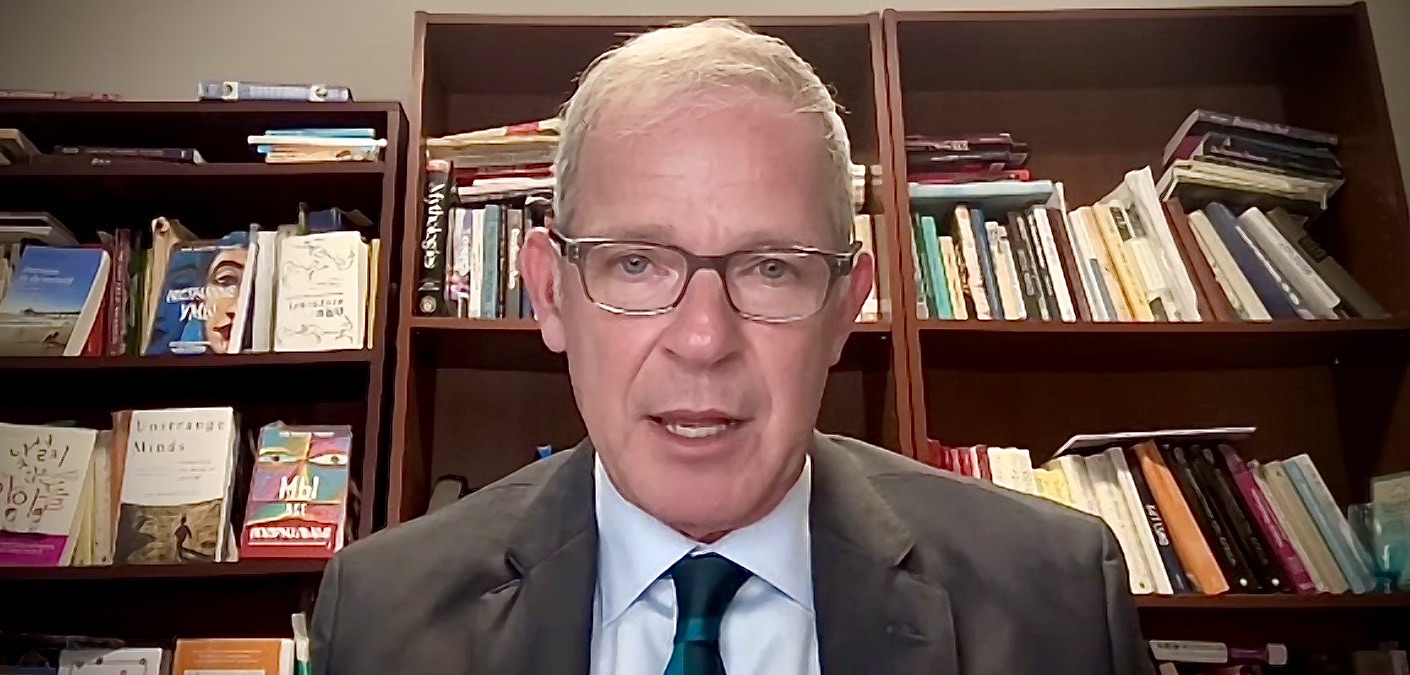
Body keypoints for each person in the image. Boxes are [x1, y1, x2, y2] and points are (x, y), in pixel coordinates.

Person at [312, 18, 1153, 675]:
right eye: (637, 263)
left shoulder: (1059, 596)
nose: (704, 339)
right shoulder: (382, 615)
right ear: (549, 292)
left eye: (772, 268)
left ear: (843, 311)